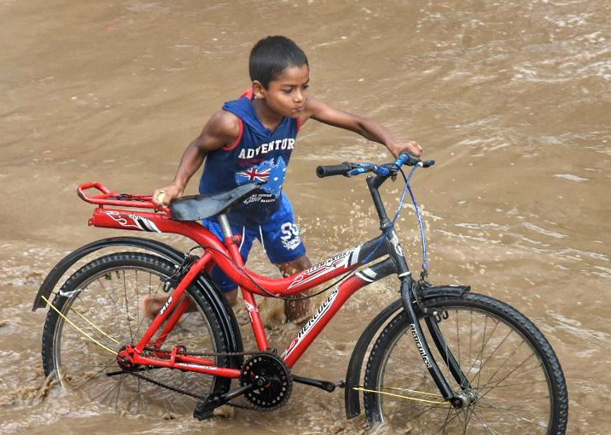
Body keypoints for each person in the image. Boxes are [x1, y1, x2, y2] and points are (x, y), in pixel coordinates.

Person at [146, 35, 421, 323]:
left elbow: (357, 122)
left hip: (270, 206)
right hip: (227, 214)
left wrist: (393, 143)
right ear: (260, 90)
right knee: (225, 297)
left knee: (300, 278)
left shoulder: (300, 112)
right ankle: (159, 307)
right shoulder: (231, 123)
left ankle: (285, 347)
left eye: (304, 87)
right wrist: (177, 185)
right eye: (288, 90)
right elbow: (199, 147)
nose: (300, 97)